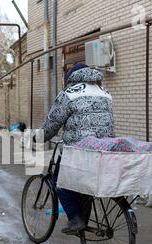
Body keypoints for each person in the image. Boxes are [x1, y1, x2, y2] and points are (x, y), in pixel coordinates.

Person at [38, 63, 115, 234]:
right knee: (85, 184)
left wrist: (38, 138)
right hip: (103, 148)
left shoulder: (69, 94)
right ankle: (83, 218)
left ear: (71, 77)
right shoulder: (106, 94)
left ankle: (75, 219)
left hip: (78, 149)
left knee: (60, 183)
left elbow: (53, 123)